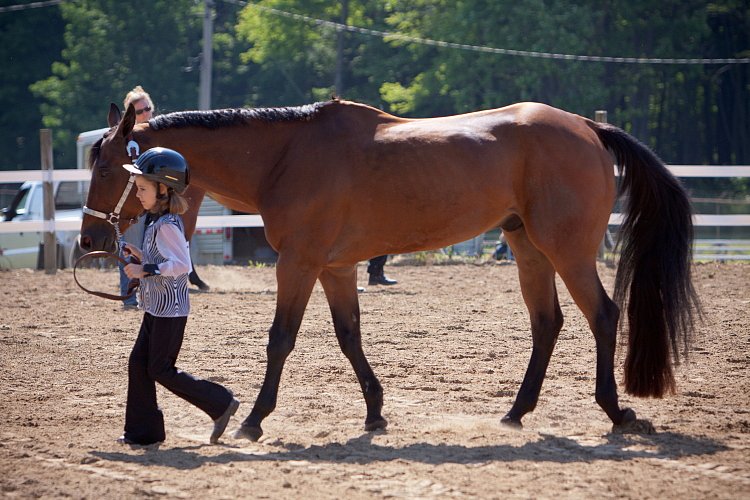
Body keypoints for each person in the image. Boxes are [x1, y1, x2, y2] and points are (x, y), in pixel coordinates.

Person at [119, 147, 239, 445]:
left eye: (143, 188)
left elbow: (181, 266)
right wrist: (141, 254)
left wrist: (144, 269)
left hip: (170, 311)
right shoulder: (154, 221)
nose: (138, 194)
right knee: (139, 364)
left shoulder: (168, 224)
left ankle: (221, 403)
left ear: (163, 189)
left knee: (160, 369)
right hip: (156, 308)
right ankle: (143, 433)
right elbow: (164, 257)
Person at [118, 87, 153, 308]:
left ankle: (148, 296)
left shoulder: (159, 134)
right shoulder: (123, 137)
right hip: (133, 202)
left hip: (155, 201)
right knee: (131, 248)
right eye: (140, 111)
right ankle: (129, 297)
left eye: (148, 109)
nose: (145, 114)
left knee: (151, 248)